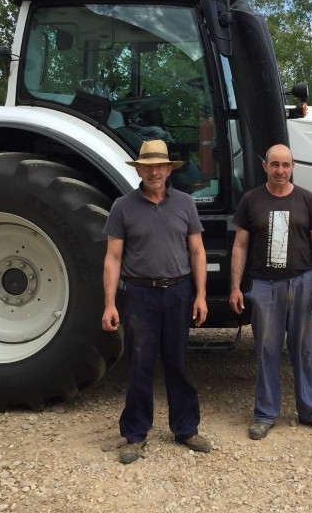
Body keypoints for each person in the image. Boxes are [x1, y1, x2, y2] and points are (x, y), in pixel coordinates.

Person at [102, 139, 211, 464]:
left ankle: (186, 428)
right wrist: (109, 303)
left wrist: (201, 295)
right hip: (139, 294)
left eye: (159, 165)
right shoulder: (123, 206)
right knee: (140, 364)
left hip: (179, 292)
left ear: (168, 169)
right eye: (147, 166)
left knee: (177, 362)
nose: (154, 171)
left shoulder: (185, 204)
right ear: (139, 169)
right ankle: (135, 434)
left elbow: (197, 251)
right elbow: (112, 258)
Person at [229, 144, 312, 440]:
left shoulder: (307, 200)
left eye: (285, 165)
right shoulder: (251, 201)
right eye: (274, 164)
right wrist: (235, 287)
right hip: (264, 286)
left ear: (293, 167)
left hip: (302, 282)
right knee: (266, 349)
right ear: (265, 166)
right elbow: (239, 246)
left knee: (303, 349)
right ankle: (265, 414)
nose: (280, 170)